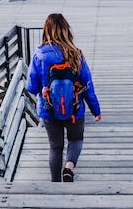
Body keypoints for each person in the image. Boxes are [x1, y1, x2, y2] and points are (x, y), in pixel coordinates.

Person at [26, 13, 101, 182]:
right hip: (74, 109)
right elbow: (88, 85)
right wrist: (96, 110)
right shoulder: (76, 54)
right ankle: (68, 167)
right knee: (75, 139)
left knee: (55, 146)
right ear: (67, 30)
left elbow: (31, 87)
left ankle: (55, 184)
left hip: (48, 110)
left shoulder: (39, 56)